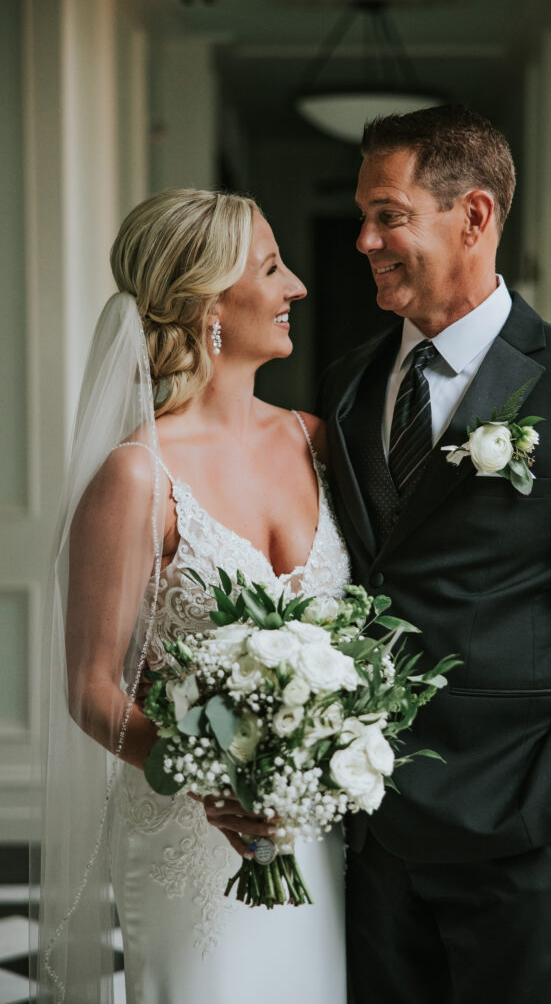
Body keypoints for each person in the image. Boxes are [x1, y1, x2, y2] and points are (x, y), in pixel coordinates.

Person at [318, 104, 551, 1003]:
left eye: (389, 215)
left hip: (517, 825)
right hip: (370, 825)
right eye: (364, 215)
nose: (363, 239)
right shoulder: (354, 381)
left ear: (473, 216)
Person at [38, 189, 350, 1004]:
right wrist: (213, 784)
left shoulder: (317, 441)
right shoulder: (138, 476)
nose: (296, 289)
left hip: (315, 832)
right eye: (273, 268)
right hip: (191, 842)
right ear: (209, 303)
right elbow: (90, 686)